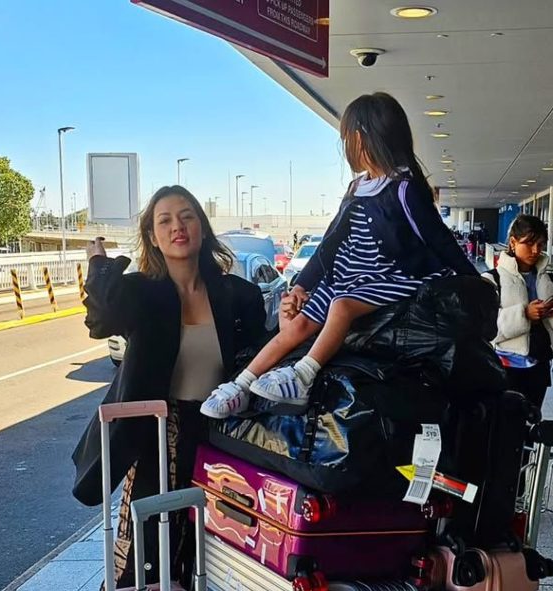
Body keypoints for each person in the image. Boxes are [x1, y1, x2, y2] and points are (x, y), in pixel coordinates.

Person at [200, 91, 479, 419]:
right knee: (297, 325)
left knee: (341, 307)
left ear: (362, 138)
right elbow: (330, 244)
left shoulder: (404, 188)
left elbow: (439, 240)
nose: (345, 143)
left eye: (347, 136)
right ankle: (242, 384)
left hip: (393, 275)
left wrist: (477, 282)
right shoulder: (357, 187)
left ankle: (302, 376)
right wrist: (301, 286)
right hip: (348, 276)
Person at [72, 185, 269, 586]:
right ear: (152, 236)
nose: (177, 226)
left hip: (221, 439)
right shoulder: (140, 292)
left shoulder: (238, 294)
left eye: (187, 216)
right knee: (150, 550)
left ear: (202, 227)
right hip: (156, 438)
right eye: (165, 220)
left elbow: (258, 361)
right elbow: (100, 323)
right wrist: (98, 267)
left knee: (215, 551)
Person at [486, 214, 553, 410]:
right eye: (529, 243)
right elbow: (484, 326)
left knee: (531, 422)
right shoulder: (492, 279)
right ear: (513, 242)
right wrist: (524, 314)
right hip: (503, 367)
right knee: (504, 425)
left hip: (539, 363)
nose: (536, 250)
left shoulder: (551, 280)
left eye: (541, 244)